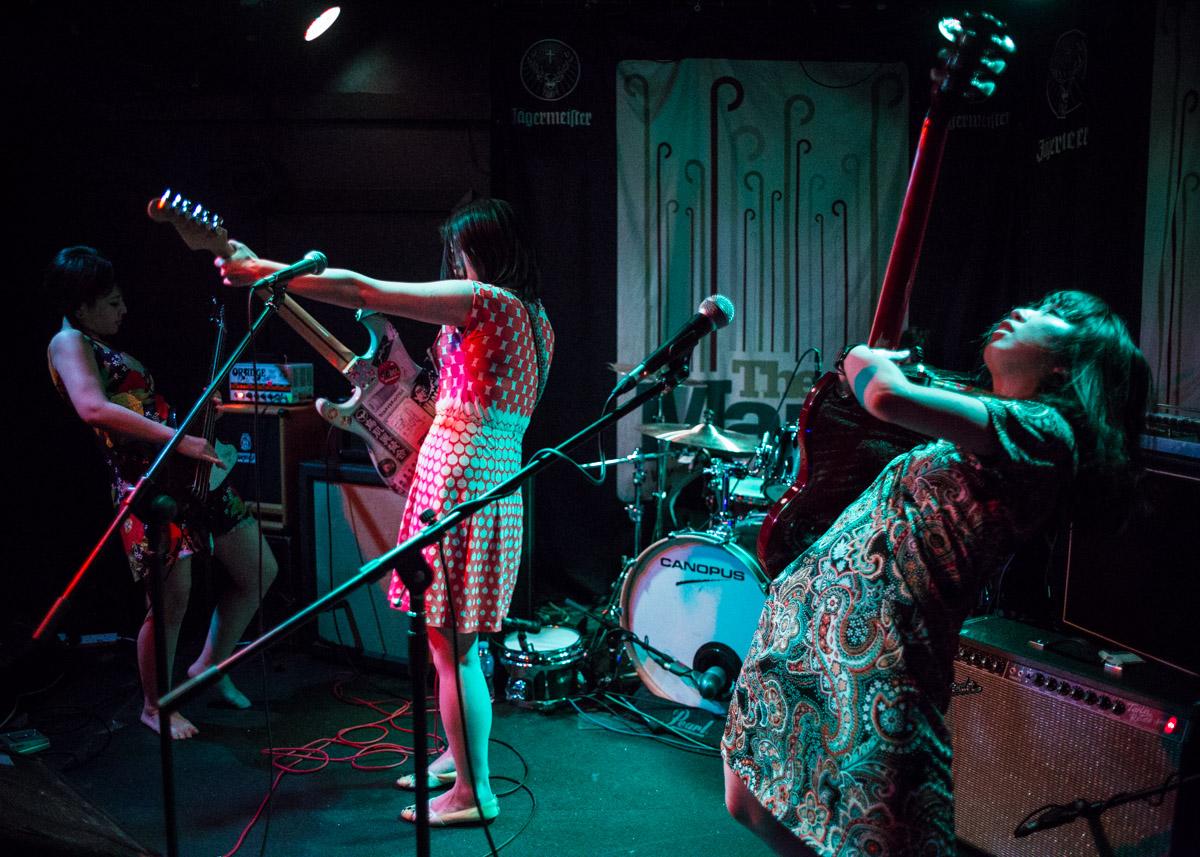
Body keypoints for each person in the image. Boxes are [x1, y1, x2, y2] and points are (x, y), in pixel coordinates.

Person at [721, 291, 1150, 855]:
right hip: (814, 631)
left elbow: (885, 396)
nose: (1019, 309)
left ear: (1065, 362)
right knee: (748, 798)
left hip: (880, 652)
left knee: (887, 837)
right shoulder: (986, 419)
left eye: (1054, 313)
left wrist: (861, 357)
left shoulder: (1046, 432)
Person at [217, 198, 554, 827]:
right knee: (456, 643)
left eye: (459, 252)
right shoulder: (537, 319)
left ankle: (473, 792)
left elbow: (365, 289)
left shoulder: (486, 301)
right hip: (493, 481)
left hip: (459, 480)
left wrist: (264, 268)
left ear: (479, 252)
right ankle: (459, 757)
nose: (453, 262)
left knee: (450, 647)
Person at [46, 245, 279, 740]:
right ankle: (155, 706)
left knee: (259, 568)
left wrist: (193, 424)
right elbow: (94, 409)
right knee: (171, 600)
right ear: (81, 306)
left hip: (188, 470)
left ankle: (208, 666)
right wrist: (182, 438)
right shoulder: (68, 343)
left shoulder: (101, 342)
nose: (122, 310)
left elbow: (143, 409)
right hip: (150, 486)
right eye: (110, 303)